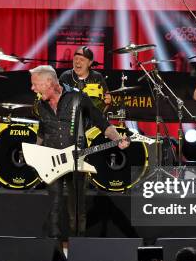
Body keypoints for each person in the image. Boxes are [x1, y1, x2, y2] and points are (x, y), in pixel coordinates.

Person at [29, 66, 129, 237]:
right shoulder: (41, 104)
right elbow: (42, 130)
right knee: (54, 207)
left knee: (76, 209)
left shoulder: (77, 97)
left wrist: (117, 139)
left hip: (76, 160)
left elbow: (101, 122)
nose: (33, 88)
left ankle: (78, 245)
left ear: (49, 82)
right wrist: (36, 155)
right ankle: (55, 252)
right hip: (52, 163)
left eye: (36, 84)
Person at [59, 45, 111, 112]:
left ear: (90, 63)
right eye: (76, 59)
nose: (77, 62)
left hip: (92, 118)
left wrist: (107, 102)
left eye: (81, 59)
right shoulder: (65, 76)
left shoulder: (97, 77)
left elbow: (106, 99)